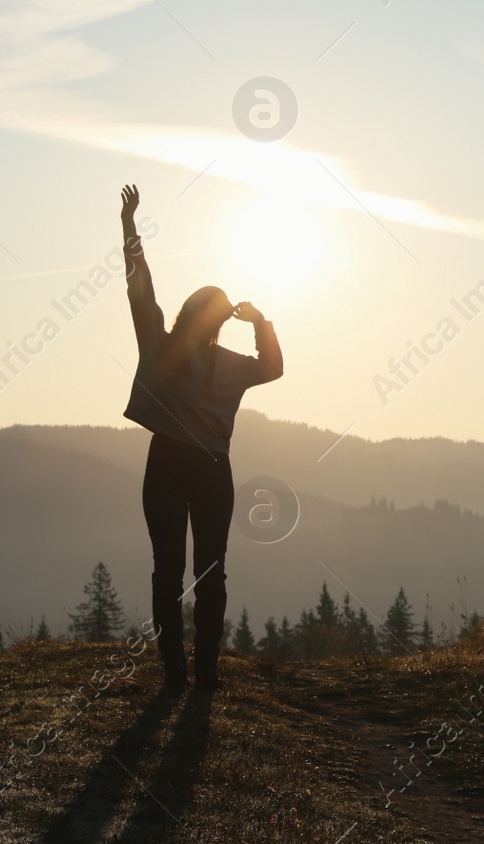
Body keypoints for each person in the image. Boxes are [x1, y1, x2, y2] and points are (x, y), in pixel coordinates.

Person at [118, 184, 283, 692]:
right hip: (214, 469)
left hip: (166, 462)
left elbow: (138, 287)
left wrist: (129, 227)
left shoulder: (159, 346)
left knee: (165, 570)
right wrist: (259, 321)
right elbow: (273, 368)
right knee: (212, 571)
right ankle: (206, 673)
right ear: (218, 322)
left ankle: (175, 673)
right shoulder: (230, 366)